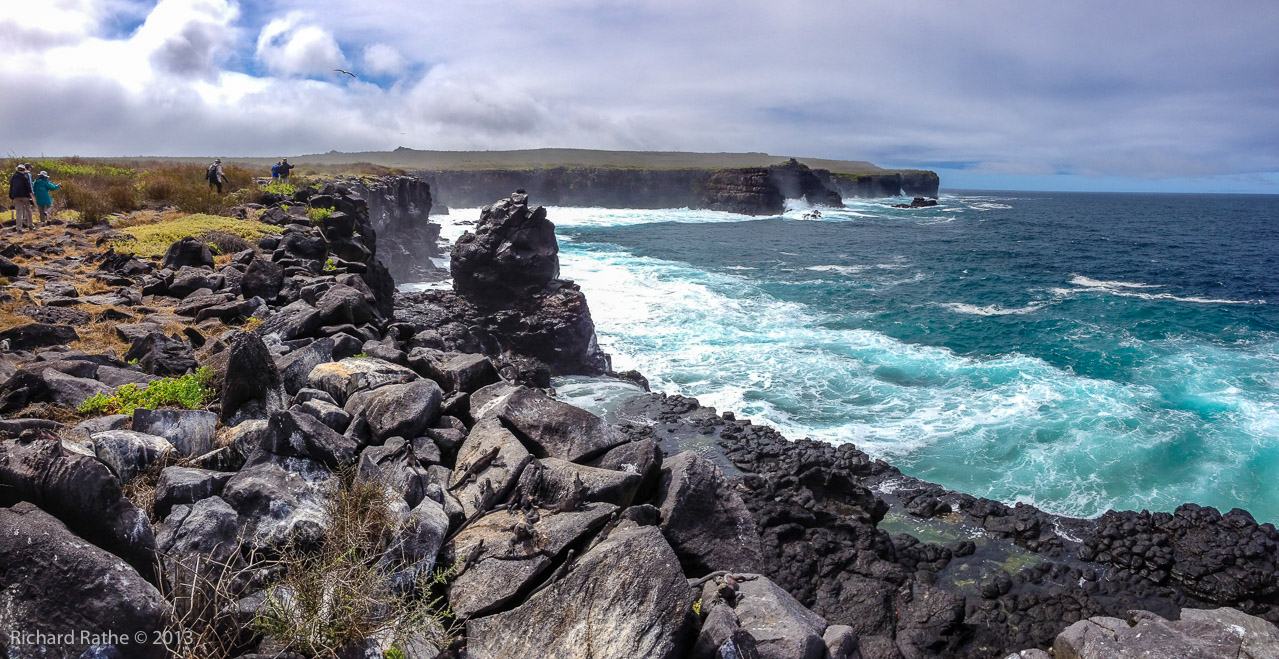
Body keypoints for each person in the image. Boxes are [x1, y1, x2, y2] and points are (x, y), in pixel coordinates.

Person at [9, 165, 35, 231]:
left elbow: (11, 187)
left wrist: (11, 197)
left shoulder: (13, 176)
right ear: (24, 169)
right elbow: (28, 186)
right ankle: (30, 225)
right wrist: (32, 196)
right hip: (25, 196)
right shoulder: (25, 176)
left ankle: (19, 228)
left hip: (16, 196)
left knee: (18, 212)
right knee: (28, 210)